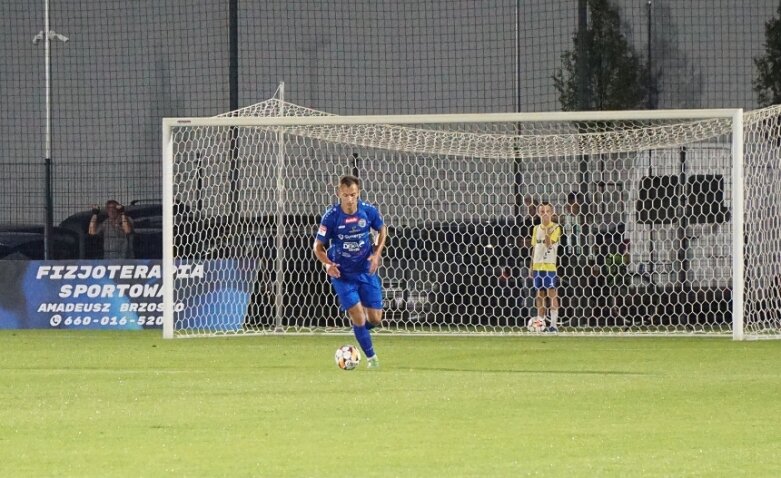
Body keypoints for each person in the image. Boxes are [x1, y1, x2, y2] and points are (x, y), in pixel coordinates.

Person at [313, 175, 388, 369]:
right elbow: (318, 247)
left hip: (365, 271)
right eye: (345, 195)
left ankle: (358, 332)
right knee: (359, 317)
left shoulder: (368, 211)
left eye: (353, 195)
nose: (349, 199)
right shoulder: (331, 217)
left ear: (358, 193)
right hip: (343, 275)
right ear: (339, 193)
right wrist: (327, 264)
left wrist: (377, 253)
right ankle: (372, 359)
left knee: (375, 319)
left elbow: (382, 230)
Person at [529, 201, 562, 332]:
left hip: (549, 265)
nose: (545, 214)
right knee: (539, 295)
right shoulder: (536, 228)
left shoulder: (556, 228)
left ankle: (553, 325)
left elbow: (549, 244)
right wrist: (531, 266)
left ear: (552, 213)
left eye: (548, 212)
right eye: (542, 212)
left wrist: (547, 228)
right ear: (538, 213)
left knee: (551, 293)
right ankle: (540, 324)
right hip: (537, 266)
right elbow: (534, 248)